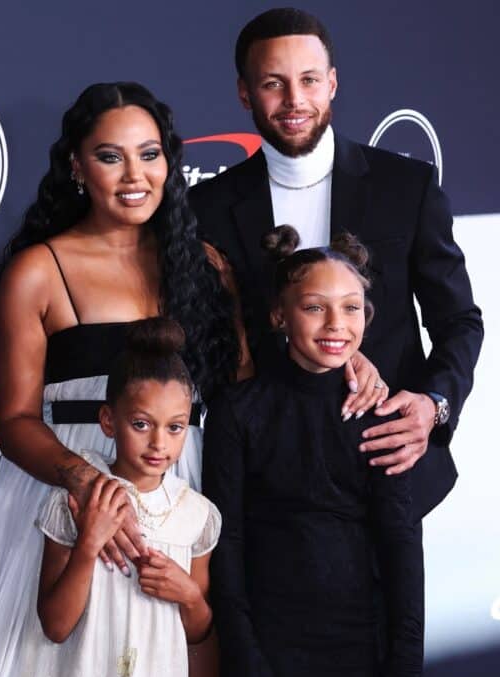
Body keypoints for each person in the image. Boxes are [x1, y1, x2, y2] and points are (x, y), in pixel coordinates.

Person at [0, 82, 239, 677]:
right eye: (109, 156)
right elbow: (12, 421)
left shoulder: (197, 267)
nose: (134, 176)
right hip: (64, 499)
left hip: (176, 485)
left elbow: (246, 389)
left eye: (149, 155)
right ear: (75, 164)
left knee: (162, 667)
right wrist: (94, 491)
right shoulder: (38, 270)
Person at [190, 7, 483, 516]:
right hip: (266, 486)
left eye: (308, 80)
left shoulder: (406, 188)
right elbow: (205, 345)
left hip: (389, 467)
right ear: (244, 93)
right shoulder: (207, 208)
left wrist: (432, 408)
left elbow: (458, 321)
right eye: (273, 84)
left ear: (332, 84)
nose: (294, 100)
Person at [203, 226, 426, 677]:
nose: (335, 324)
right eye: (314, 307)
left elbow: (401, 545)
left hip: (363, 647)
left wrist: (406, 669)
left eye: (351, 307)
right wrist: (243, 657)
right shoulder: (237, 411)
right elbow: (227, 541)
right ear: (280, 315)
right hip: (271, 643)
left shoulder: (382, 417)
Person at [18, 318, 221, 677]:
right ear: (109, 421)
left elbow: (197, 630)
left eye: (175, 427)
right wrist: (89, 544)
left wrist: (190, 596)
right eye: (141, 424)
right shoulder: (75, 503)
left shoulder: (197, 516)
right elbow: (55, 626)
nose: (159, 443)